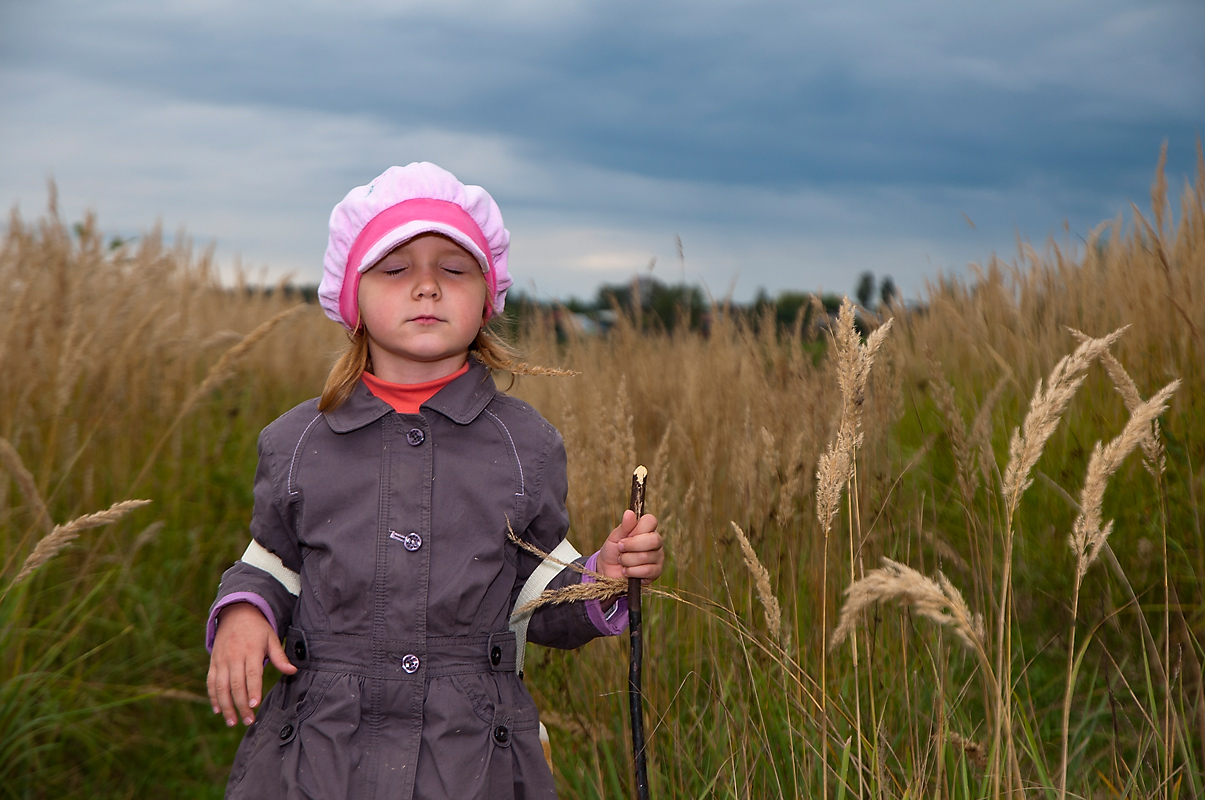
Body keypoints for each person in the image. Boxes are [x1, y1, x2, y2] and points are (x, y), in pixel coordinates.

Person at [205, 162, 664, 799]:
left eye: (453, 269)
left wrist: (602, 577)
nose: (426, 288)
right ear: (352, 298)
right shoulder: (298, 440)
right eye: (395, 269)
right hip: (322, 755)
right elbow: (273, 562)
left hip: (470, 756)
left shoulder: (524, 444)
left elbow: (536, 598)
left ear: (486, 298)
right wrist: (245, 613)